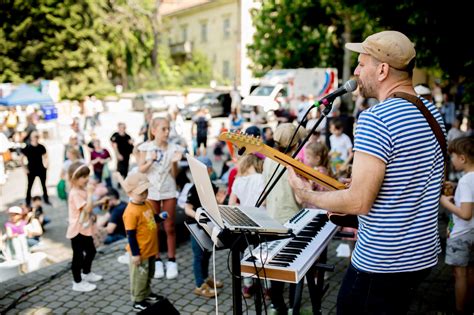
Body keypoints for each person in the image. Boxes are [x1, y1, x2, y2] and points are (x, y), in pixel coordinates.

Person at [287, 30, 445, 314]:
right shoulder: (433, 114)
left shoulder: (376, 118)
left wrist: (305, 194)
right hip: (421, 256)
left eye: (361, 64)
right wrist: (363, 181)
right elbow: (411, 176)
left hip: (382, 262)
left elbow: (359, 203)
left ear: (382, 69)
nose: (357, 71)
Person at [262, 123, 305, 313]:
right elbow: (300, 197)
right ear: (295, 145)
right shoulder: (294, 164)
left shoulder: (268, 160)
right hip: (292, 219)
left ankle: (276, 304)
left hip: (272, 218)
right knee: (294, 265)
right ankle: (292, 306)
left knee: (276, 265)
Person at [137, 116, 182, 280]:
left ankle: (171, 260)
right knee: (153, 226)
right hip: (152, 191)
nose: (167, 132)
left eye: (168, 128)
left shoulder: (174, 148)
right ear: (154, 130)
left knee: (169, 226)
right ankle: (156, 260)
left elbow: (174, 174)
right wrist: (151, 160)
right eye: (163, 129)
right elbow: (141, 170)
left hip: (168, 190)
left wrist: (175, 162)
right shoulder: (145, 148)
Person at [439, 136, 474, 314]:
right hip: (472, 233)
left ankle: (460, 310)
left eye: (452, 156)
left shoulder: (467, 181)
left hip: (461, 233)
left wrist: (445, 202)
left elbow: (466, 214)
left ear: (462, 158)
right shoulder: (469, 179)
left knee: (459, 274)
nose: (451, 160)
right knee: (470, 271)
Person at [121, 172, 164, 311]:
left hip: (151, 249)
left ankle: (146, 293)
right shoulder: (130, 212)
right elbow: (131, 236)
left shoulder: (147, 204)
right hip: (140, 252)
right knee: (139, 277)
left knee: (149, 274)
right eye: (140, 192)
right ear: (129, 192)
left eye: (146, 190)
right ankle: (138, 300)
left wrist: (161, 217)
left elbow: (153, 218)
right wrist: (135, 254)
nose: (144, 194)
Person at [184, 156, 225, 298]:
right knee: (198, 255)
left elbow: (214, 205)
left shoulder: (212, 186)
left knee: (207, 253)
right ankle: (199, 284)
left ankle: (206, 277)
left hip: (209, 226)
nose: (210, 171)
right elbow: (187, 208)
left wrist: (220, 202)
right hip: (197, 227)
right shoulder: (194, 188)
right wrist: (198, 216)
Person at [66, 162, 105, 292]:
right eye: (83, 177)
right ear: (74, 178)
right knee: (78, 256)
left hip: (85, 227)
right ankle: (77, 282)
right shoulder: (75, 193)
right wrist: (90, 193)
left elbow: (87, 206)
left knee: (91, 251)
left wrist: (99, 202)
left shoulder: (81, 190)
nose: (87, 179)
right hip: (77, 229)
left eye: (87, 175)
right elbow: (86, 208)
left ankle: (86, 273)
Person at [21, 131, 50, 206]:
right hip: (31, 170)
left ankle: (46, 199)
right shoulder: (27, 147)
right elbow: (21, 159)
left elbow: (46, 156)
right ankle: (27, 201)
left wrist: (46, 164)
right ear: (31, 138)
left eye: (37, 136)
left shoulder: (41, 147)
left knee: (44, 185)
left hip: (40, 168)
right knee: (29, 186)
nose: (36, 138)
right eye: (35, 137)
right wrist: (25, 169)